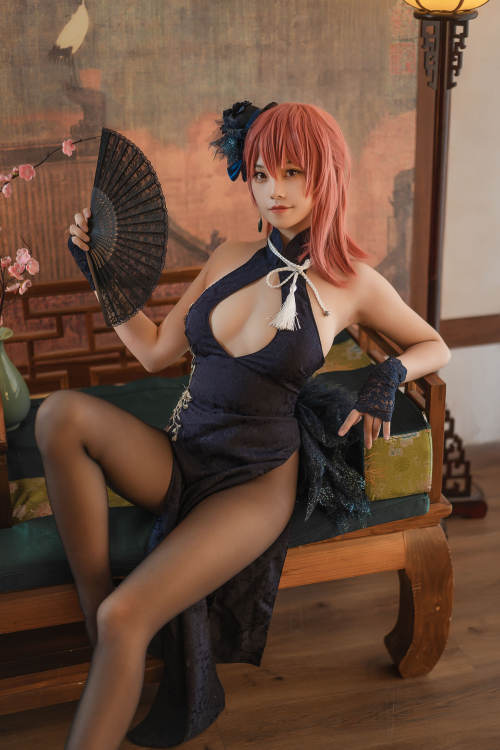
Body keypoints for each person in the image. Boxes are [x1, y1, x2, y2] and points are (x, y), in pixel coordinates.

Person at [35, 100, 451, 749]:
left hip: (255, 483)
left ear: (326, 175)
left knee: (128, 613)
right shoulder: (229, 256)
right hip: (186, 452)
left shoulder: (352, 283)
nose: (273, 189)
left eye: (292, 171)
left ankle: (115, 627)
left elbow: (435, 345)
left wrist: (387, 375)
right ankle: (100, 631)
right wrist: (102, 275)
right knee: (59, 414)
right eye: (260, 173)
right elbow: (155, 351)